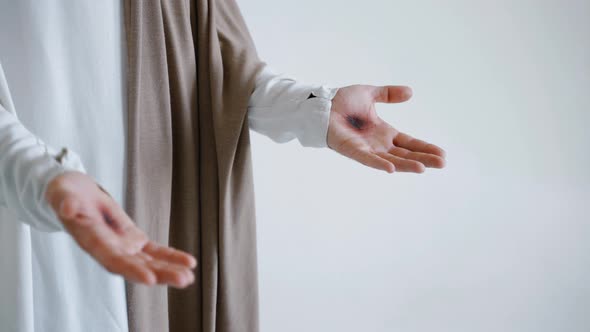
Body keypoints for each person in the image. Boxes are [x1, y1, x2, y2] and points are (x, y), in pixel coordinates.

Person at [0, 1, 446, 331]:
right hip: (26, 220)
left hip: (148, 217)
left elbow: (222, 71)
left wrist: (315, 108)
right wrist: (45, 180)